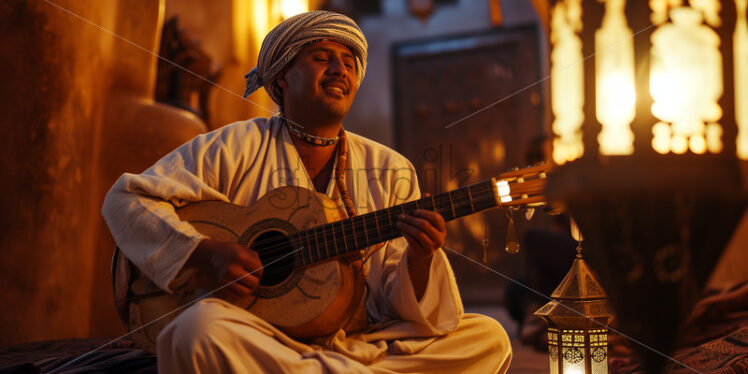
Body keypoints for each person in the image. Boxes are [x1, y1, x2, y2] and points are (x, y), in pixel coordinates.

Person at [102, 10, 511, 373]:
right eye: (322, 58)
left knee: (487, 337)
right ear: (282, 75)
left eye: (349, 63)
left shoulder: (391, 168)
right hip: (260, 336)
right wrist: (201, 254)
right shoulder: (233, 145)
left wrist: (420, 259)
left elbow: (394, 303)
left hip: (358, 342)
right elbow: (126, 199)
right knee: (195, 329)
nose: (340, 69)